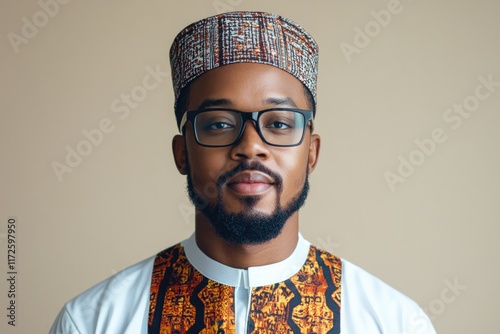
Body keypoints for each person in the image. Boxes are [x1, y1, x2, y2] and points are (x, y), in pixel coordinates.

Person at [50, 11, 436, 334]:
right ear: (182, 152)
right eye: (219, 123)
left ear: (312, 153)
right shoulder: (93, 322)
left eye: (280, 124)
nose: (251, 146)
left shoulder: (394, 322)